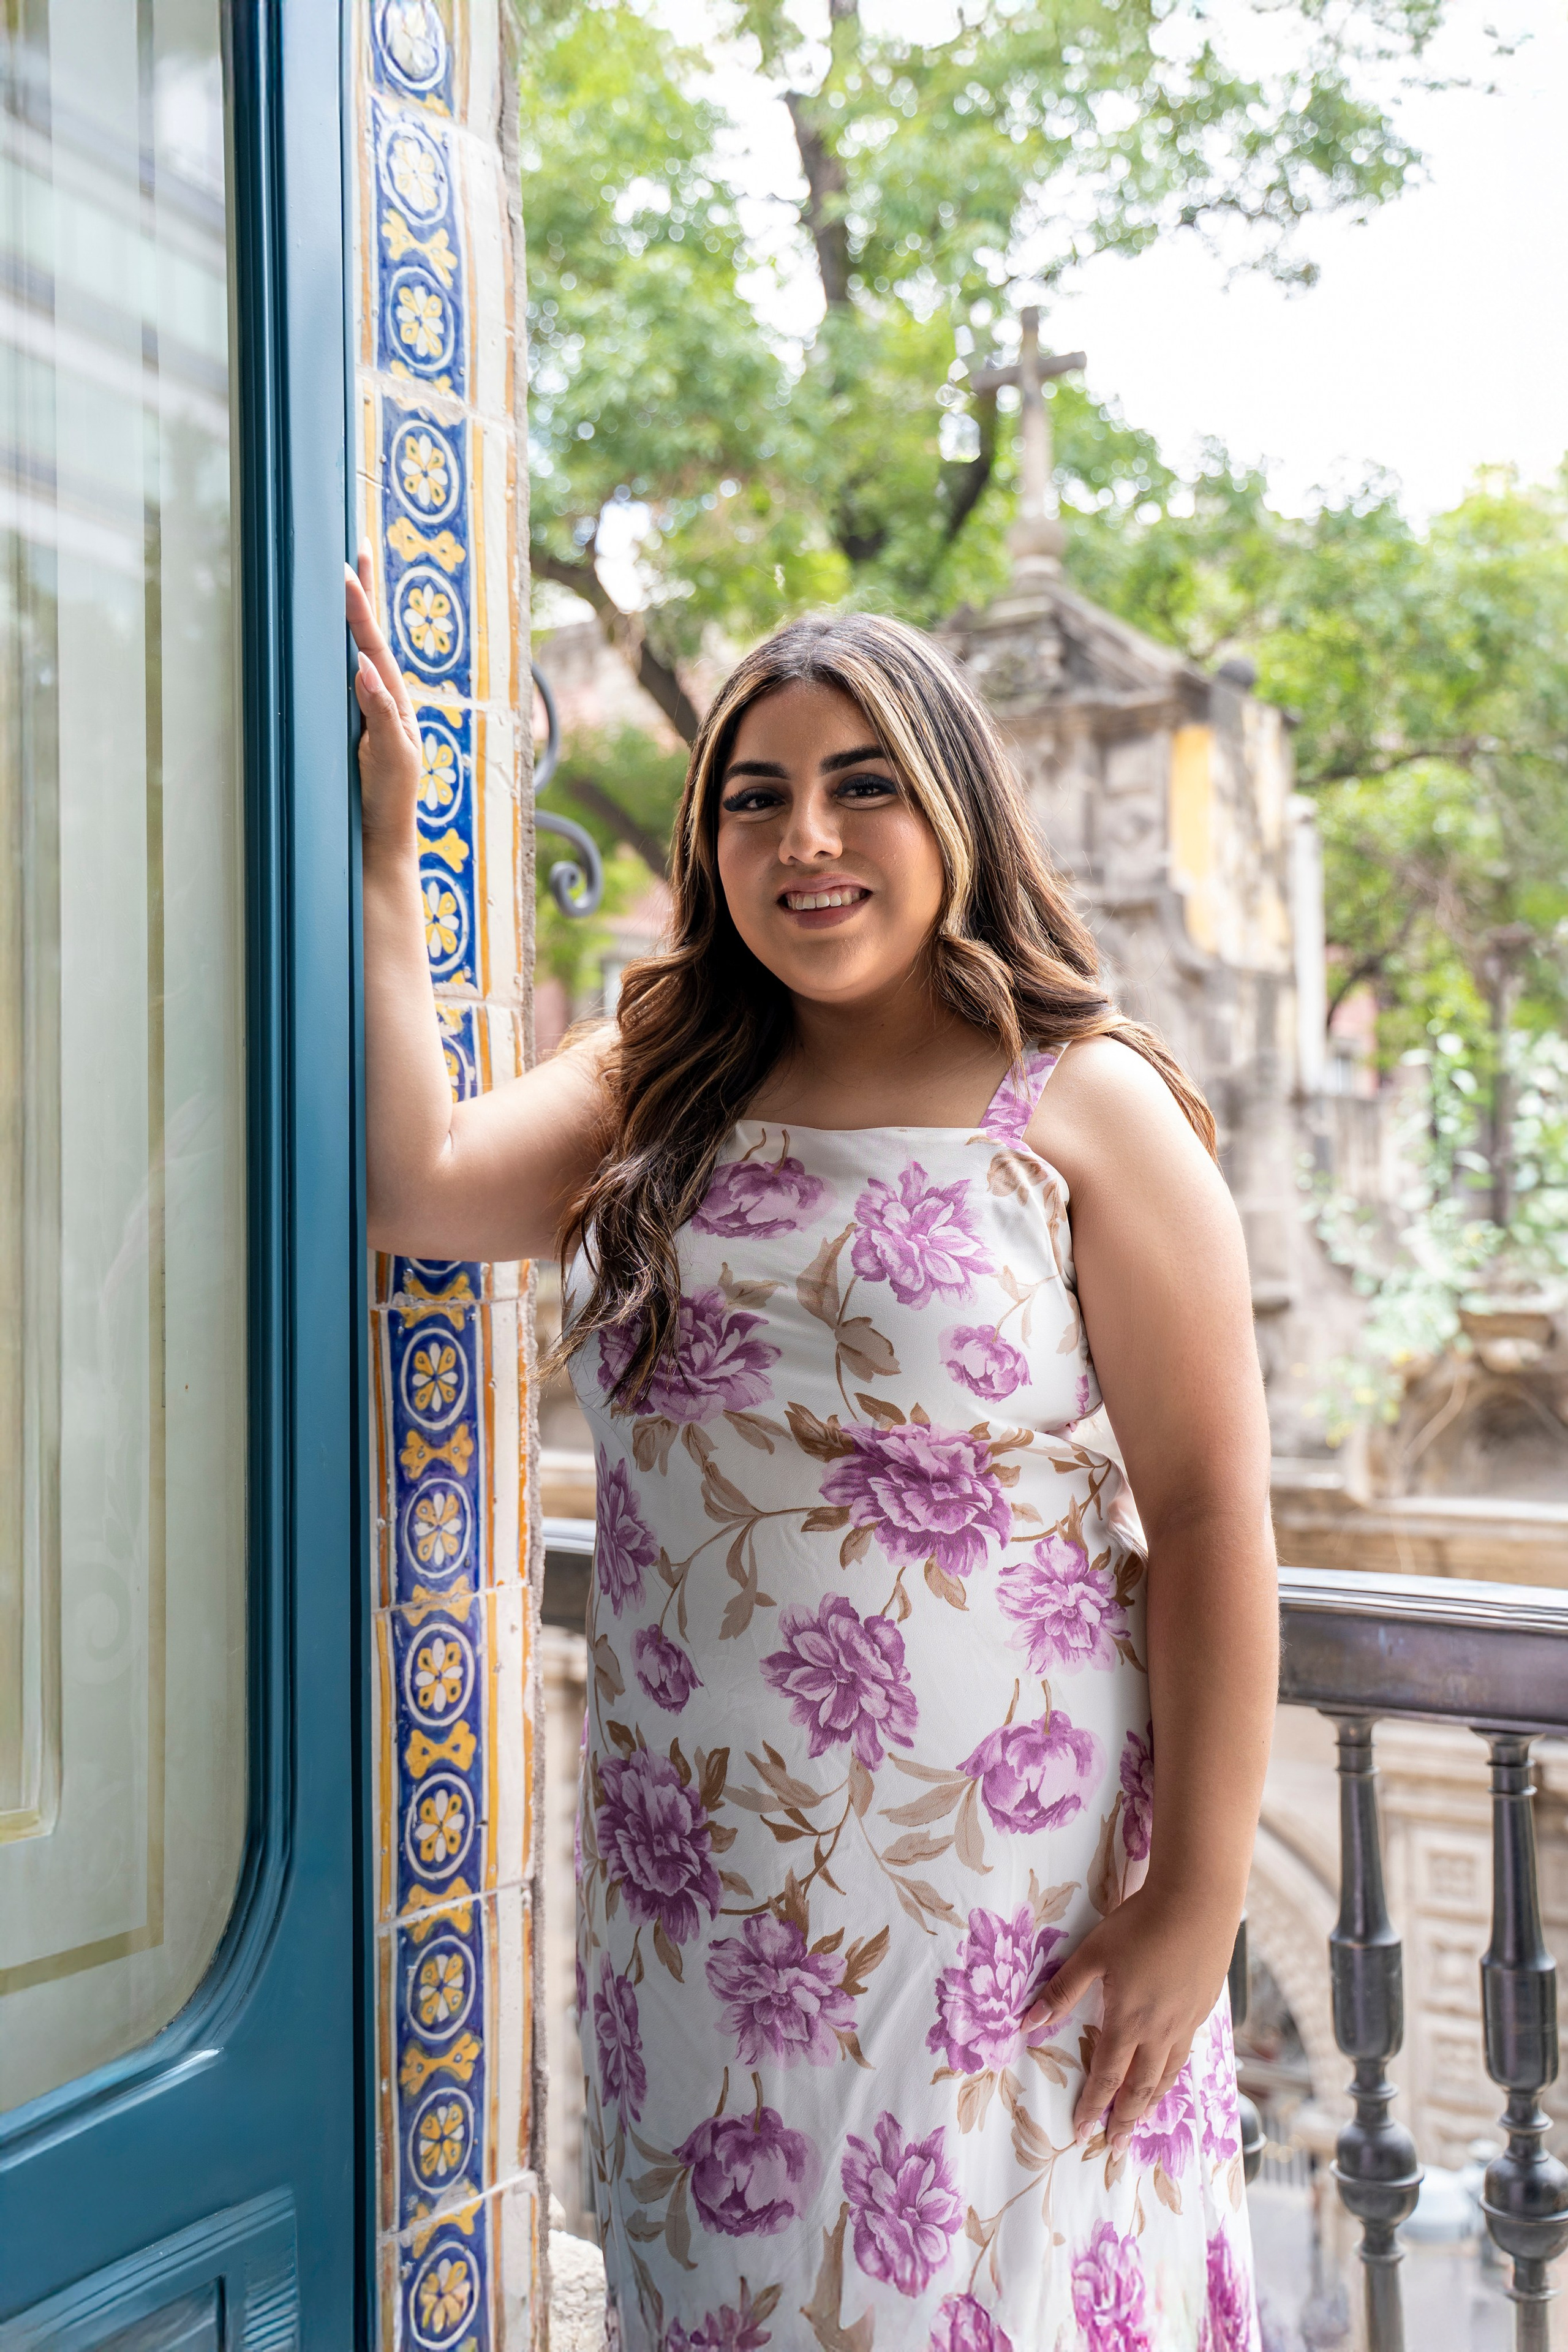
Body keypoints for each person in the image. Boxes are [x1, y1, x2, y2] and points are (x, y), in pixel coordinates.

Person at [347, 560, 1276, 2352]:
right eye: (755, 799)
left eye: (862, 786)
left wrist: (1198, 1901)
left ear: (954, 809)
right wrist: (387, 857)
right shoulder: (658, 1074)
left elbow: (1216, 1516)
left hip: (1002, 1895)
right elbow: (420, 1188)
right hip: (700, 1887)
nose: (806, 840)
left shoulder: (1086, 1101)